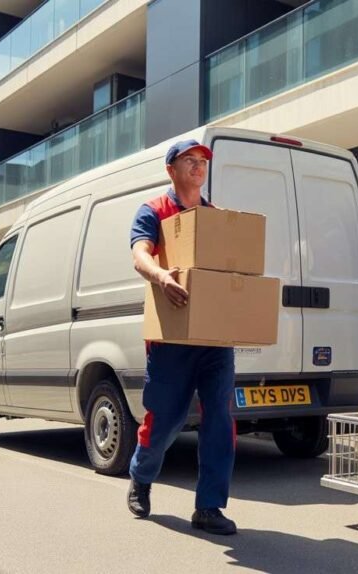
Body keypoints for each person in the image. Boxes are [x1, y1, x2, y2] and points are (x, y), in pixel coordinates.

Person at [126, 139, 238, 536]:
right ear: (171, 169)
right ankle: (140, 475)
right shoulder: (153, 211)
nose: (198, 166)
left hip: (214, 340)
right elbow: (140, 252)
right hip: (171, 338)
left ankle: (208, 507)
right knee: (166, 420)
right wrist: (159, 275)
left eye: (202, 161)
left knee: (220, 420)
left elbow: (233, 267)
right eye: (189, 160)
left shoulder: (216, 217)